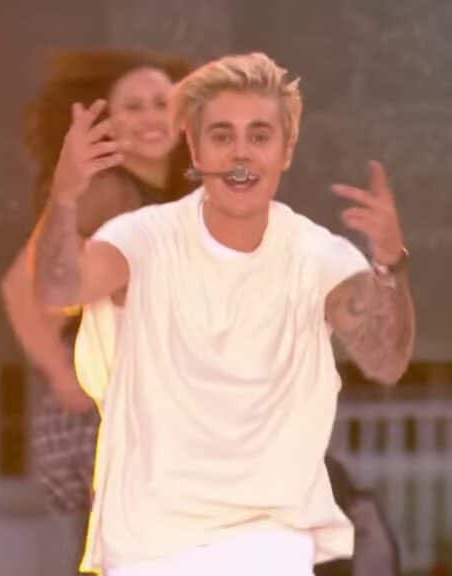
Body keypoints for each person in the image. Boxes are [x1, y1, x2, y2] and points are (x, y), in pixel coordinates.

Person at [27, 52, 416, 575]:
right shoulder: (142, 234)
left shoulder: (316, 255)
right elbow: (58, 286)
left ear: (286, 149)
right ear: (195, 145)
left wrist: (390, 263)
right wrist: (64, 195)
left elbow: (386, 359)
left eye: (259, 135)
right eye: (222, 135)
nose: (241, 152)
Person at [0, 48, 194, 568]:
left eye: (162, 103)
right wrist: (64, 377)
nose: (151, 117)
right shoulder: (107, 190)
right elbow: (21, 285)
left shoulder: (170, 193)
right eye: (134, 106)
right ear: (109, 122)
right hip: (110, 412)